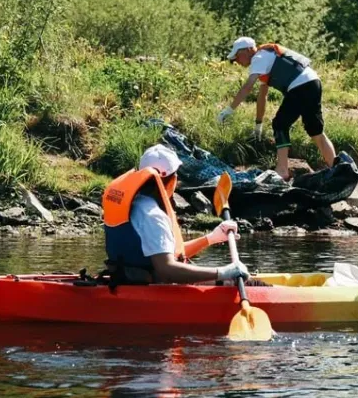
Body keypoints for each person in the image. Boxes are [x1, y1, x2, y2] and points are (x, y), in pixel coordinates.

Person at [101, 144, 250, 285]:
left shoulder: (137, 205)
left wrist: (211, 238)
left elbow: (168, 253)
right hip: (154, 292)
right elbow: (167, 271)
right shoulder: (153, 215)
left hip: (128, 281)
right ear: (172, 180)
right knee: (254, 285)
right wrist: (222, 272)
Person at [218, 37, 337, 181]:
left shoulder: (259, 58)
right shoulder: (266, 58)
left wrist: (228, 111)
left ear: (249, 50)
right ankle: (336, 168)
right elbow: (262, 96)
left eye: (237, 56)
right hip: (313, 83)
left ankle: (282, 170)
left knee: (280, 124)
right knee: (316, 131)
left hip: (300, 86)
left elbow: (247, 87)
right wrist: (258, 124)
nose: (236, 60)